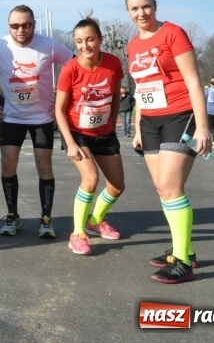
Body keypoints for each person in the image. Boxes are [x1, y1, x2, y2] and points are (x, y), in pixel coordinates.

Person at [125, 0, 209, 284]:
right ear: (128, 12)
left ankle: (183, 261)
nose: (141, 12)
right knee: (163, 189)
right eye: (135, 8)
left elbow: (192, 81)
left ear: (155, 5)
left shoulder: (173, 33)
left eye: (146, 5)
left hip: (179, 115)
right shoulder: (132, 45)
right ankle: (181, 248)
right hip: (149, 122)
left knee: (171, 187)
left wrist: (202, 127)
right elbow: (139, 88)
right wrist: (136, 127)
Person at [0, 4, 74, 239]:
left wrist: (62, 99)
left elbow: (75, 65)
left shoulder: (48, 44)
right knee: (7, 165)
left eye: (26, 24)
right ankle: (12, 215)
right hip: (12, 117)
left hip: (42, 117)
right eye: (15, 25)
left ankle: (46, 218)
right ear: (8, 26)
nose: (21, 29)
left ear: (34, 24)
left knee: (44, 166)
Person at [55, 15, 126, 256]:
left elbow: (116, 96)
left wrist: (112, 124)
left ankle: (94, 221)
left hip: (104, 133)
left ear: (100, 40)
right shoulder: (70, 69)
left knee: (117, 186)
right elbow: (58, 109)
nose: (85, 46)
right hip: (76, 132)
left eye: (90, 40)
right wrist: (71, 143)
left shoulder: (114, 63)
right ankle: (78, 233)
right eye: (79, 41)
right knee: (91, 179)